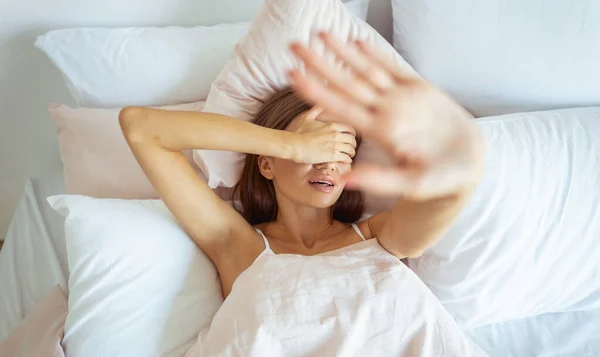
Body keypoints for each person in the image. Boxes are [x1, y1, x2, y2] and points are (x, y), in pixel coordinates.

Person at [119, 32, 485, 299]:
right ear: (267, 166)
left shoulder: (379, 236)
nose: (328, 162)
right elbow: (141, 129)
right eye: (317, 145)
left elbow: (432, 211)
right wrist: (290, 144)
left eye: (343, 149)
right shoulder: (235, 243)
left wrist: (463, 169)